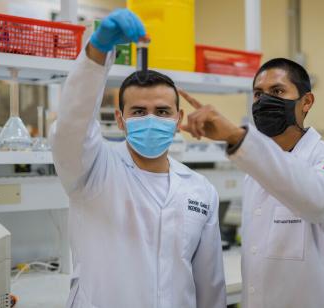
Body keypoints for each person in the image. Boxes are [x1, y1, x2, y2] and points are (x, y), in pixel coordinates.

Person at [50, 9, 225, 308]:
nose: (151, 119)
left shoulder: (200, 190)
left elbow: (210, 284)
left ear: (178, 118)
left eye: (162, 111)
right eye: (139, 112)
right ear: (120, 119)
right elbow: (71, 124)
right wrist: (97, 52)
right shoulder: (92, 170)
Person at [179, 58, 324, 308]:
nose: (264, 101)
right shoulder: (255, 169)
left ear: (306, 102)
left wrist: (236, 136)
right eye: (258, 94)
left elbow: (317, 199)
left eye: (278, 91)